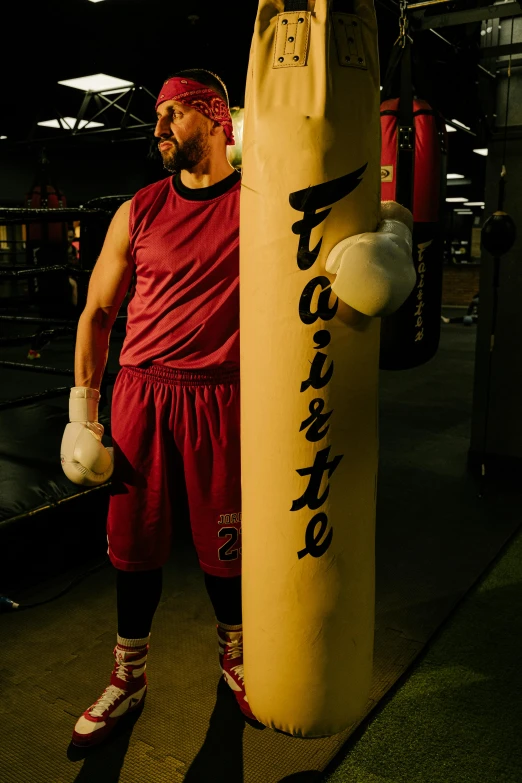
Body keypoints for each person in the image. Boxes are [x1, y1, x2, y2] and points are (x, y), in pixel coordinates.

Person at [60, 68, 413, 748]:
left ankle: (236, 657)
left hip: (221, 396)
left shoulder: (262, 202)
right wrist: (83, 411)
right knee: (134, 549)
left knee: (230, 551)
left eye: (174, 114)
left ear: (217, 117)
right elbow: (99, 310)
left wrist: (391, 244)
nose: (158, 128)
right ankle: (127, 677)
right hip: (143, 392)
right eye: (157, 117)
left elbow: (356, 210)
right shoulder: (137, 208)